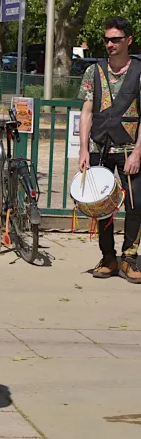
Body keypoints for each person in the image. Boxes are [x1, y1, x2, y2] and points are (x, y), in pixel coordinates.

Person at [78, 16, 141, 283]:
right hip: (99, 147)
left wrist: (138, 153)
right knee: (101, 205)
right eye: (107, 40)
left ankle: (129, 258)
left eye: (115, 39)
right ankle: (108, 258)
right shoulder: (94, 72)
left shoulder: (139, 71)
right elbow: (86, 112)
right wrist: (83, 149)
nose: (110, 44)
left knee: (136, 204)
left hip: (130, 150)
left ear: (129, 40)